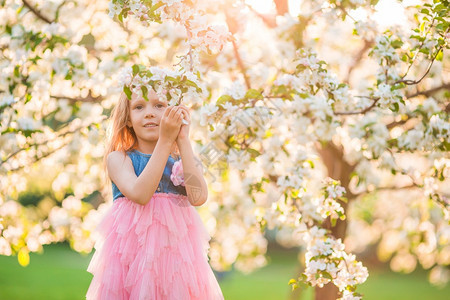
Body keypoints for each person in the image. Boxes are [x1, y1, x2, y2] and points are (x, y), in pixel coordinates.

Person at [86, 89, 224, 300]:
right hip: (132, 260)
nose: (149, 113)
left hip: (176, 261)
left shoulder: (182, 160)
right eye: (139, 107)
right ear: (129, 119)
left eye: (159, 105)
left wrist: (183, 140)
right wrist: (166, 141)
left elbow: (198, 197)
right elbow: (141, 195)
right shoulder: (119, 159)